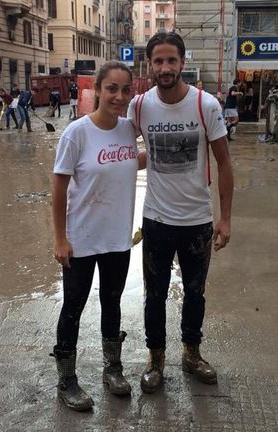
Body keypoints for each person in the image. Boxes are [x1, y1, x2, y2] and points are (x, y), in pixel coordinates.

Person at [127, 31, 233, 394]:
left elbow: (224, 162)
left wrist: (225, 218)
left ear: (182, 63)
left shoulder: (207, 105)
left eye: (172, 60)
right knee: (153, 295)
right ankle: (155, 360)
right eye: (158, 61)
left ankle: (191, 354)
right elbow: (132, 155)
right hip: (156, 219)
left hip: (198, 222)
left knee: (195, 293)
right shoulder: (139, 106)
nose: (165, 67)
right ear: (149, 65)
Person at [51, 61, 146, 411]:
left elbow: (129, 161)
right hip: (81, 239)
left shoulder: (128, 130)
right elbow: (59, 189)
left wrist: (171, 155)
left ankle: (113, 369)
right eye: (112, 88)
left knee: (112, 302)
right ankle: (67, 380)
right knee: (73, 307)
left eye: (125, 89)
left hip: (117, 238)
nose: (119, 96)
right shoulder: (77, 133)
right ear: (98, 90)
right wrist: (60, 239)